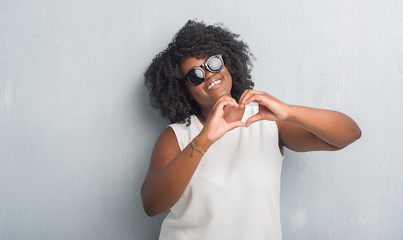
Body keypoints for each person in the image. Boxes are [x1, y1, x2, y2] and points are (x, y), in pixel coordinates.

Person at [141, 20, 361, 240]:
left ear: (227, 65)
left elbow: (349, 133)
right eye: (194, 76)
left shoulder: (266, 121)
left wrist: (289, 112)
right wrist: (203, 140)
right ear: (186, 91)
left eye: (213, 63)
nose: (208, 75)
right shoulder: (176, 136)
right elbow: (152, 205)